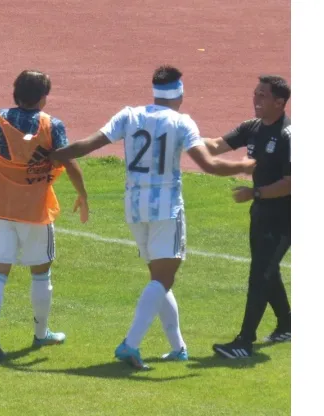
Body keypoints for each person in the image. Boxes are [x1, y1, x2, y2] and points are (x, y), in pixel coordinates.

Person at [50, 65, 256, 369]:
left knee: (158, 279)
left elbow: (86, 145)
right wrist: (242, 165)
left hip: (134, 206)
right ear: (180, 93)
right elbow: (209, 165)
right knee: (164, 277)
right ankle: (130, 344)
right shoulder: (181, 122)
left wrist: (50, 155)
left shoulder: (129, 115)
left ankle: (178, 347)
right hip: (166, 208)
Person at [0, 70, 88, 358]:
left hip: (1, 211)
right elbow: (70, 163)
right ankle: (40, 334)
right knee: (41, 273)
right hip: (36, 213)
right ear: (43, 97)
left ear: (16, 92)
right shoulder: (52, 125)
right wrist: (82, 195)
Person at [204, 75, 292, 359]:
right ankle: (289, 324)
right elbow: (216, 146)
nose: (256, 99)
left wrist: (254, 194)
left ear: (279, 102)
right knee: (266, 269)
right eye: (255, 94)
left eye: (262, 96)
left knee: (259, 276)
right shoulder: (252, 128)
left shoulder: (289, 136)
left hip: (285, 218)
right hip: (262, 214)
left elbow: (292, 183)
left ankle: (244, 341)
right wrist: (182, 137)